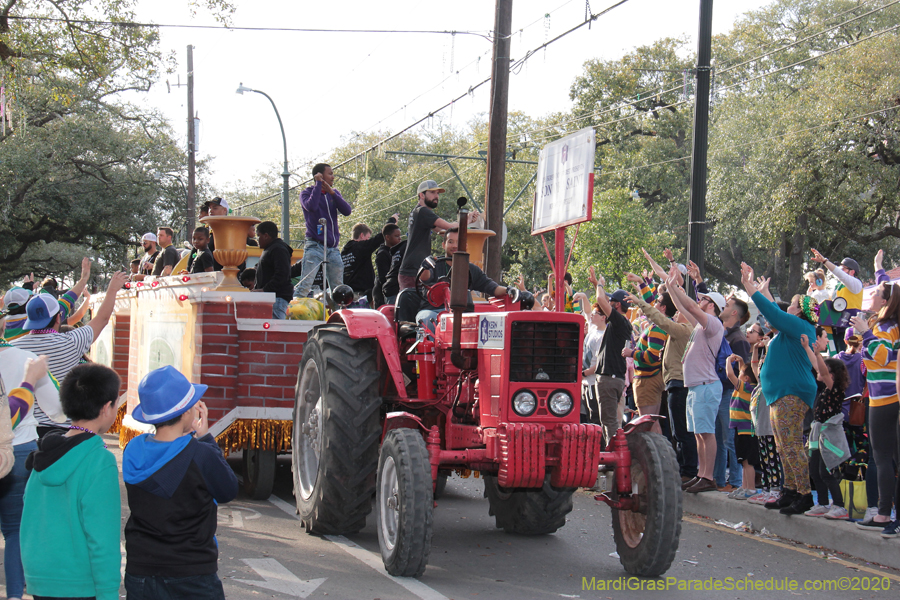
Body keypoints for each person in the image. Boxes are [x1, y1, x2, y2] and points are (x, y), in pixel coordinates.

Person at [123, 366, 238, 599]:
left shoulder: (133, 450)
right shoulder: (200, 454)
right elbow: (228, 489)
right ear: (186, 412)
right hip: (192, 572)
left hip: (141, 570)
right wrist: (206, 438)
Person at [20, 364, 122, 600]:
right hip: (80, 584)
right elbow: (102, 537)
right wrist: (108, 593)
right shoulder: (99, 460)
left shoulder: (45, 455)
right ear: (106, 407)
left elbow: (30, 518)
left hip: (41, 580)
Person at [740, 262, 818, 514]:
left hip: (790, 394)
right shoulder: (791, 329)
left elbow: (774, 314)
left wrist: (751, 289)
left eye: (792, 305)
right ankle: (791, 489)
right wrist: (761, 292)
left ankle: (804, 494)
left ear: (800, 311)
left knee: (791, 443)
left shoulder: (801, 326)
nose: (789, 308)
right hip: (779, 395)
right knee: (783, 445)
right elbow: (775, 313)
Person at [13, 267, 129, 437]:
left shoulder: (15, 347)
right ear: (58, 318)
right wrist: (112, 289)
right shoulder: (72, 342)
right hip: (62, 431)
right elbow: (102, 319)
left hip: (25, 432)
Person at [626, 269, 698, 484]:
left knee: (659, 425)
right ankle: (668, 464)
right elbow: (658, 308)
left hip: (661, 380)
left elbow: (651, 354)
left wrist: (632, 353)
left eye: (659, 302)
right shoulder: (674, 325)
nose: (655, 304)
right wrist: (643, 283)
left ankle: (670, 466)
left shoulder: (678, 328)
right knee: (673, 429)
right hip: (668, 381)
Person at [0, 338, 58, 600]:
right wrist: (28, 382)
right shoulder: (27, 358)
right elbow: (57, 409)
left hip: (13, 453)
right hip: (19, 449)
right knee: (15, 530)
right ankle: (14, 595)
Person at [667, 276, 725, 494]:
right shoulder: (701, 326)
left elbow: (689, 304)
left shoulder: (713, 323)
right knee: (699, 433)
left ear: (712, 305)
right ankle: (702, 474)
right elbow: (683, 305)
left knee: (706, 433)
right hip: (696, 386)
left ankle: (708, 476)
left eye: (704, 299)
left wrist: (676, 287)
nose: (699, 301)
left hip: (705, 385)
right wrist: (670, 286)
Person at [851, 282, 899, 533]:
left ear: (885, 302)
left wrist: (866, 334)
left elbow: (883, 356)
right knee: (891, 460)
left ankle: (883, 514)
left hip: (884, 399)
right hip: (889, 397)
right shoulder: (890, 325)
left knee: (882, 460)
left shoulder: (884, 327)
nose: (871, 298)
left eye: (875, 295)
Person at [397, 228, 510, 328]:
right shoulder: (433, 265)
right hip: (434, 311)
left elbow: (491, 287)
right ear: (444, 245)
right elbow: (424, 277)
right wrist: (425, 266)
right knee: (426, 319)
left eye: (458, 242)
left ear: (465, 245)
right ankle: (431, 351)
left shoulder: (471, 269)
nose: (455, 245)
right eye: (450, 242)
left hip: (462, 313)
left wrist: (510, 290)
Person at [800, 331, 851, 519]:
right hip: (818, 435)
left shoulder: (835, 390)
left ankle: (839, 506)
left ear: (832, 374)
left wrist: (820, 354)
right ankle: (822, 503)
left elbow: (820, 369)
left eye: (825, 370)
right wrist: (807, 348)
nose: (820, 372)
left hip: (829, 436)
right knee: (814, 470)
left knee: (826, 471)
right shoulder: (823, 389)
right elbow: (817, 367)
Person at [397, 180, 478, 292]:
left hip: (414, 269)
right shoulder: (423, 211)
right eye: (433, 193)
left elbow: (443, 232)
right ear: (421, 195)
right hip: (413, 270)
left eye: (438, 193)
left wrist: (463, 223)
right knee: (415, 306)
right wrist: (466, 219)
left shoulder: (418, 212)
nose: (436, 196)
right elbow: (449, 227)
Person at [587, 267, 633, 446]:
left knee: (609, 421)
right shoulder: (622, 323)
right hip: (615, 378)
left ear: (617, 305)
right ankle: (612, 453)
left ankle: (615, 454)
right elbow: (602, 300)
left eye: (612, 301)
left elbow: (600, 299)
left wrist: (599, 284)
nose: (608, 302)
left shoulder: (620, 322)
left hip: (610, 378)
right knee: (609, 420)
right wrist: (596, 284)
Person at [293, 164, 352, 298]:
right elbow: (311, 206)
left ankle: (337, 316)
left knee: (338, 289)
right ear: (319, 175)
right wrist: (318, 185)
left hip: (332, 248)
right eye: (330, 173)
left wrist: (332, 193)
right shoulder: (306, 193)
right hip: (315, 246)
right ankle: (293, 313)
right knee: (305, 285)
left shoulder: (334, 193)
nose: (333, 176)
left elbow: (347, 211)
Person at [714, 296, 752, 492]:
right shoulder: (725, 334)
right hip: (721, 392)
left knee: (729, 439)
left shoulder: (738, 339)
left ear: (735, 312)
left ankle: (736, 481)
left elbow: (744, 371)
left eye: (727, 305)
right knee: (720, 439)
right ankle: (719, 480)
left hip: (730, 393)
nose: (724, 307)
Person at [811, 249, 862, 354]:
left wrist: (825, 261)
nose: (840, 270)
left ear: (852, 272)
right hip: (838, 326)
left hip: (851, 328)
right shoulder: (838, 286)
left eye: (843, 268)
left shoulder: (856, 284)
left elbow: (841, 275)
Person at [724, 354, 759, 501]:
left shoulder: (744, 387)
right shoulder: (749, 387)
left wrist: (728, 361)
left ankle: (750, 488)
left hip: (745, 429)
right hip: (743, 428)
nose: (738, 376)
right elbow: (743, 373)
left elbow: (729, 374)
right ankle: (745, 487)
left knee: (747, 461)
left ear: (745, 379)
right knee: (744, 461)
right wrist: (742, 363)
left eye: (741, 374)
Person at [342, 216, 398, 305]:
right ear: (361, 235)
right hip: (361, 296)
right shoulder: (360, 247)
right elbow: (379, 238)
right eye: (367, 238)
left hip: (347, 294)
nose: (368, 241)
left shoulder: (344, 252)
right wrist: (392, 221)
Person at [254, 221, 294, 319]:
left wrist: (265, 290)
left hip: (276, 299)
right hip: (271, 298)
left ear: (266, 236)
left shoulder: (278, 249)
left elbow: (282, 274)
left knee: (274, 330)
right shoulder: (272, 249)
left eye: (259, 236)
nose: (257, 239)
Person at [581, 304, 606, 424]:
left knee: (595, 417)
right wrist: (582, 298)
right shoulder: (592, 330)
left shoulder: (603, 336)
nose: (592, 315)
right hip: (585, 381)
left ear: (603, 317)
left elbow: (601, 363)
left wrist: (584, 373)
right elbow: (586, 311)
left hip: (593, 382)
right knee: (587, 417)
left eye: (595, 313)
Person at [374, 222, 403, 308]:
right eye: (396, 236)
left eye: (400, 236)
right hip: (384, 295)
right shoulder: (382, 254)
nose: (400, 238)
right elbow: (383, 277)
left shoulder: (397, 251)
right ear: (387, 237)